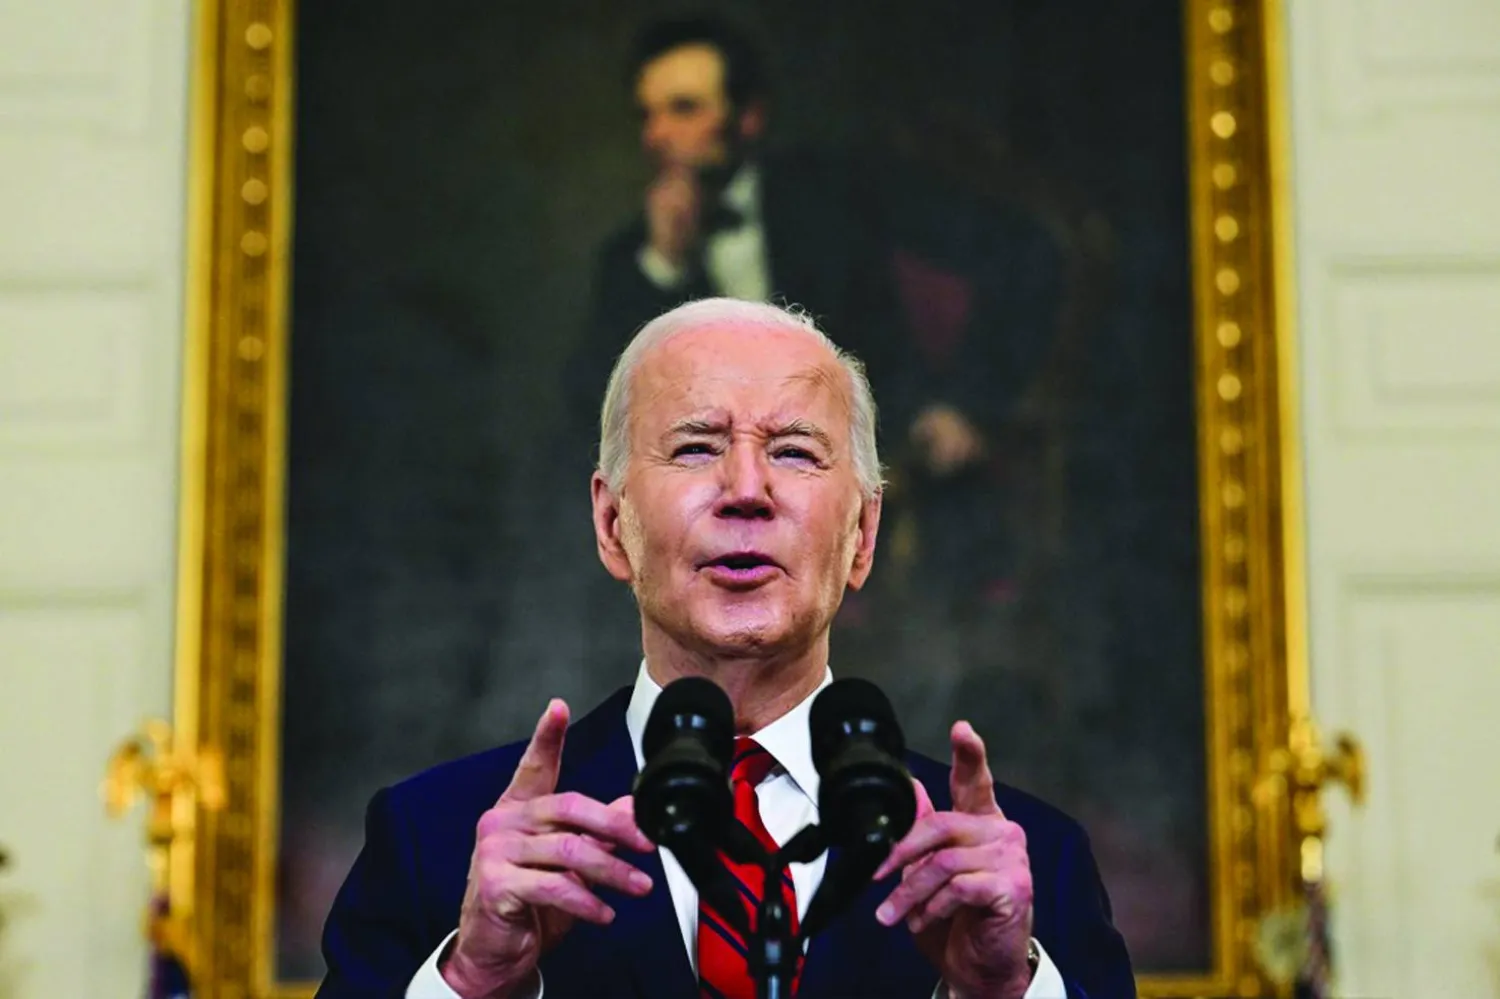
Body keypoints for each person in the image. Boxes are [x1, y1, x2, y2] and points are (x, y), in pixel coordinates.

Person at [315, 297, 1134, 998]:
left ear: (863, 534)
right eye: (698, 446)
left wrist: (1001, 991)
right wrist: (472, 981)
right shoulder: (438, 842)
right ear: (612, 524)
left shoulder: (1025, 873)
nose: (747, 489)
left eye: (794, 451)